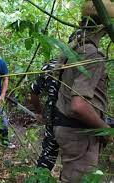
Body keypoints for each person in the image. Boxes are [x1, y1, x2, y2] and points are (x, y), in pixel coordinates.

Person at [53, 1, 114, 182]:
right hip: (78, 132)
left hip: (68, 128)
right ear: (105, 26)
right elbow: (78, 106)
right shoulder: (92, 55)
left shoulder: (73, 47)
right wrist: (106, 131)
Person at [30, 59, 59, 171]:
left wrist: (39, 112)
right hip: (64, 119)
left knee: (48, 155)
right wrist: (39, 112)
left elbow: (34, 91)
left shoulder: (51, 65)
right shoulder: (91, 63)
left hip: (54, 116)